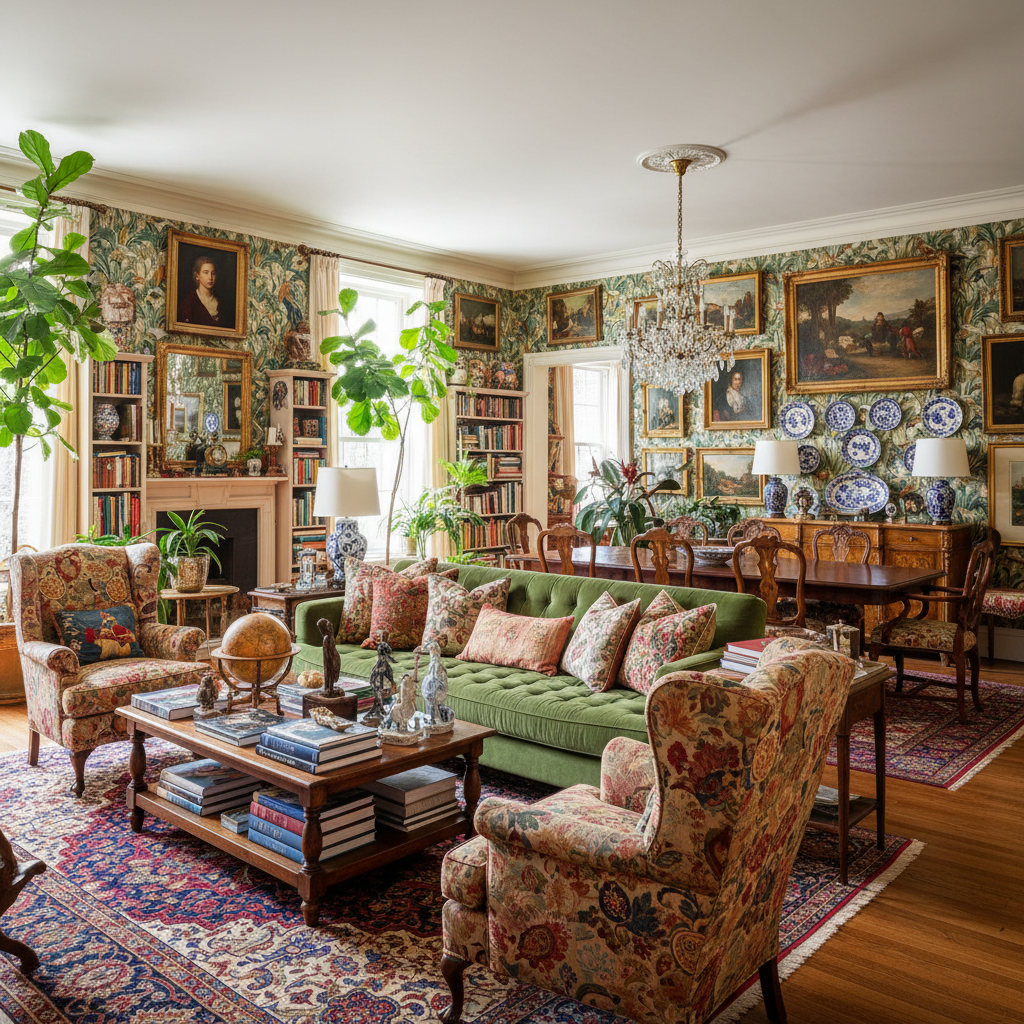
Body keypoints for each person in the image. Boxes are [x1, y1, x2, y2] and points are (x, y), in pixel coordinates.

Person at [178, 255, 223, 327]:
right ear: (197, 276)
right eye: (206, 272)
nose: (210, 277)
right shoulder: (189, 303)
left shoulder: (221, 302)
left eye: (213, 273)